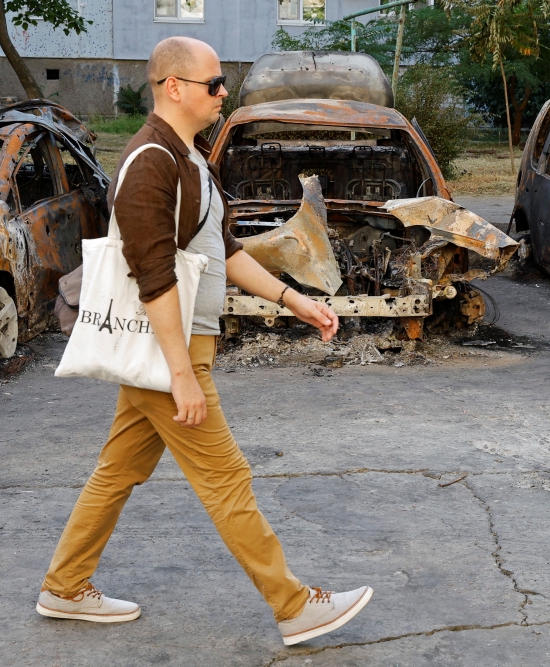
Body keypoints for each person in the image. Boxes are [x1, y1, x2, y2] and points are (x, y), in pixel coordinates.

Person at [36, 37, 373, 646]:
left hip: (174, 350)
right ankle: (294, 604)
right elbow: (153, 272)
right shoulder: (149, 162)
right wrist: (182, 373)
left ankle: (64, 586)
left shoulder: (190, 159)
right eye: (214, 84)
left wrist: (295, 300)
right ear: (174, 87)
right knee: (226, 478)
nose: (223, 94)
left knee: (117, 472)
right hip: (172, 351)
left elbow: (225, 253)